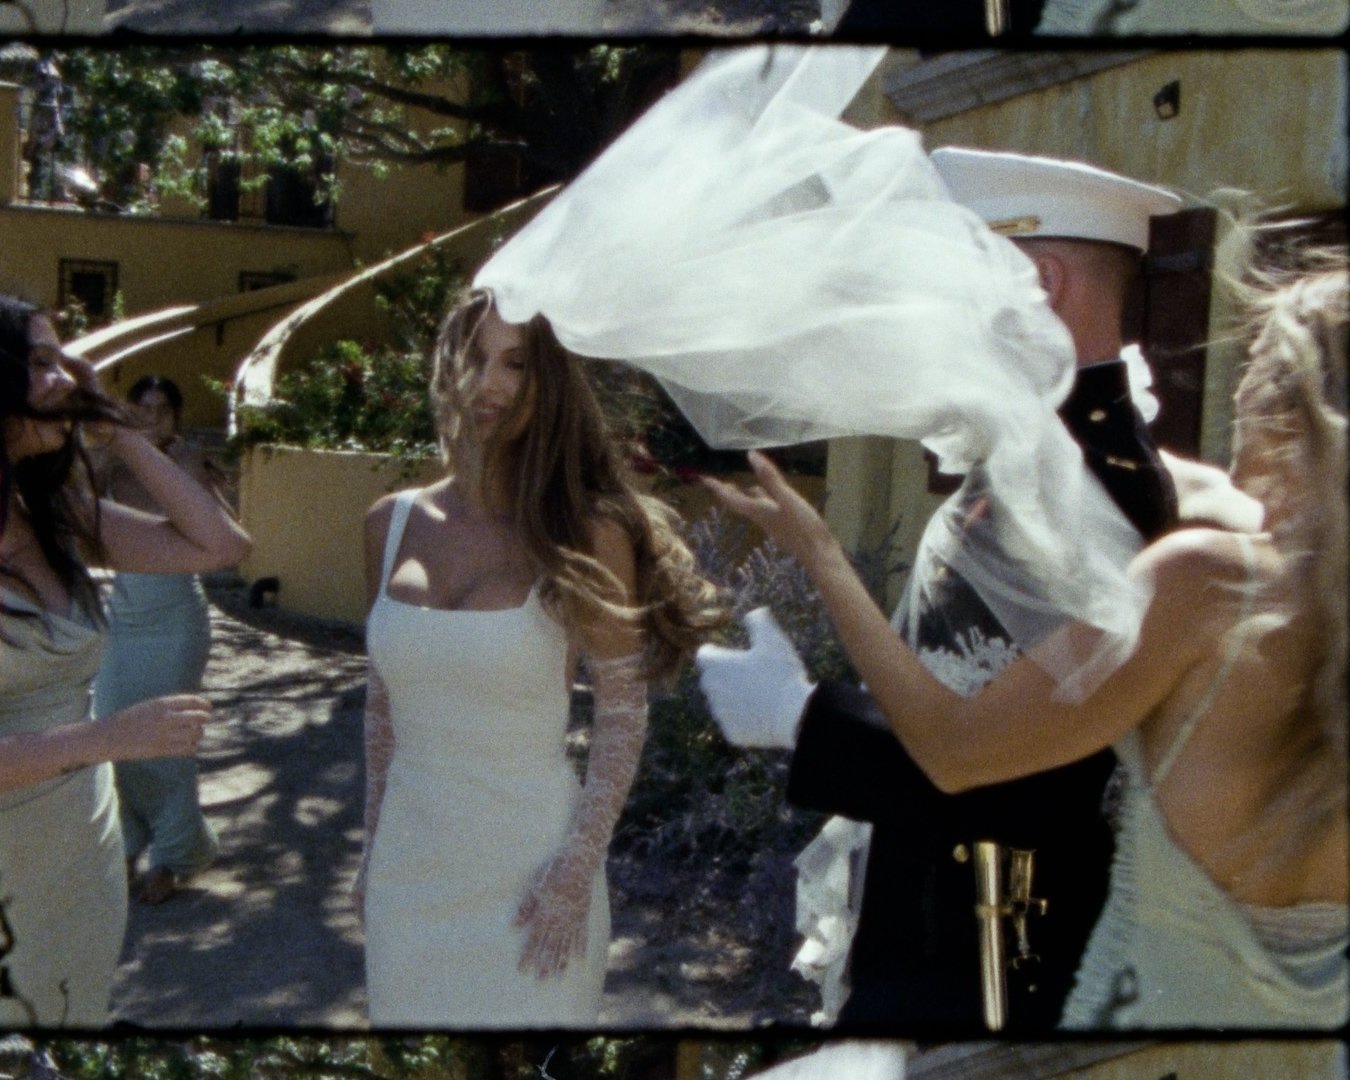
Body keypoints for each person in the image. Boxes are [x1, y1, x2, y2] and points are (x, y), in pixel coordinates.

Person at [706, 254, 1349, 1029]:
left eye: (1248, 385)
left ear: (1295, 410)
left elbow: (967, 756)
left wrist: (818, 573)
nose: (1235, 437)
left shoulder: (1205, 579)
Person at [357, 288, 725, 1027]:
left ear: (548, 383)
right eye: (473, 357)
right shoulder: (389, 524)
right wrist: (370, 850)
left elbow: (622, 713)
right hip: (410, 877)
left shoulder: (583, 530)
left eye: (515, 364)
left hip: (531, 879)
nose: (487, 384)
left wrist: (572, 874)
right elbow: (384, 706)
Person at [0, 296, 251, 1027]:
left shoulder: (54, 515)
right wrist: (107, 740)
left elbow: (220, 545)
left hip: (81, 852)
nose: (64, 380)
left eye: (65, 362)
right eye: (41, 363)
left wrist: (115, 423)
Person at [93, 375, 232, 905]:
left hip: (175, 620)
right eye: (141, 411)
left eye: (162, 412)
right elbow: (77, 503)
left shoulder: (186, 463)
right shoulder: (113, 462)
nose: (153, 422)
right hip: (123, 615)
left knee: (166, 743)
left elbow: (226, 538)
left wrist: (189, 473)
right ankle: (126, 843)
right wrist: (113, 447)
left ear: (176, 417)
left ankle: (179, 854)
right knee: (113, 733)